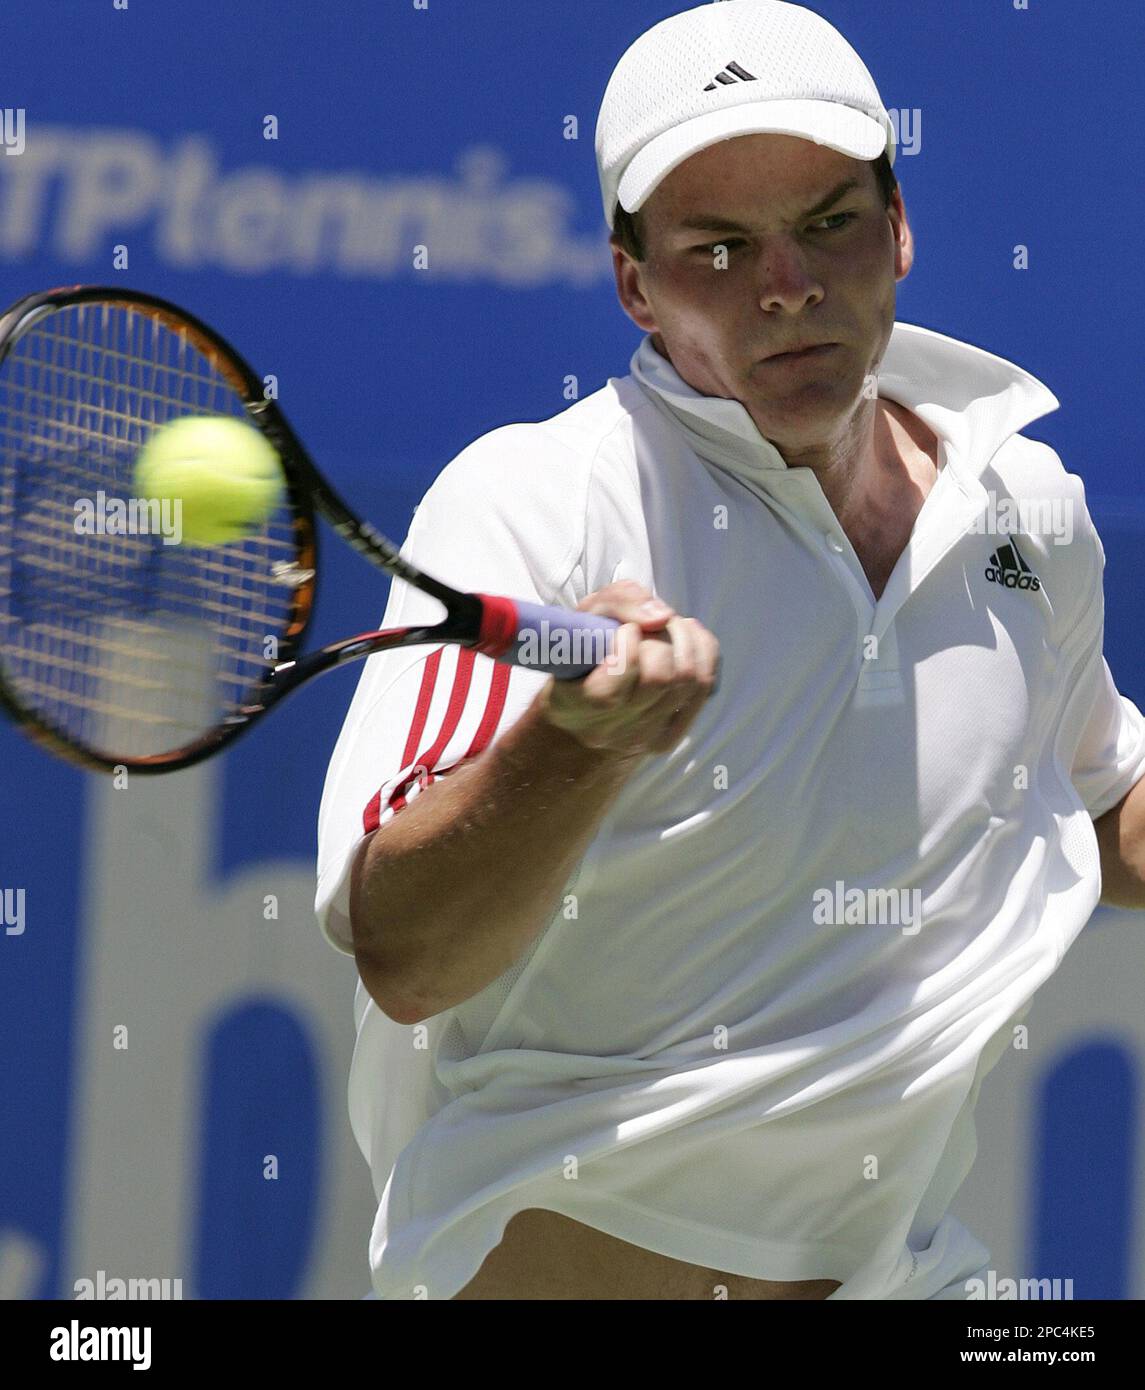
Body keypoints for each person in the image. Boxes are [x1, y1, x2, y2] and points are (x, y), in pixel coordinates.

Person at [315, 0, 1145, 1300]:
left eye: (827, 224)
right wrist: (571, 749)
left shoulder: (1023, 508)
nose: (787, 286)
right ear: (633, 284)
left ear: (899, 228)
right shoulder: (536, 504)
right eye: (718, 247)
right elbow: (408, 958)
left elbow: (1100, 810)